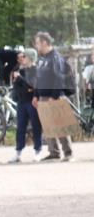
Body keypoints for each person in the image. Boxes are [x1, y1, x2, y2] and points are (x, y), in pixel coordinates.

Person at [34, 32, 74, 162]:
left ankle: (68, 153)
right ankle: (54, 152)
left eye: (38, 42)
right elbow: (38, 78)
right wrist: (36, 95)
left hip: (54, 96)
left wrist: (54, 96)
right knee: (48, 126)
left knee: (60, 125)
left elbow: (59, 78)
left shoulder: (55, 57)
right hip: (43, 96)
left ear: (45, 43)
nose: (36, 45)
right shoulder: (42, 58)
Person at [9, 48, 43, 163]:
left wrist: (21, 79)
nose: (21, 59)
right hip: (21, 101)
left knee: (36, 126)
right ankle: (18, 152)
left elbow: (32, 85)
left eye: (24, 56)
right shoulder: (20, 69)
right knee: (20, 127)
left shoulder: (35, 69)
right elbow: (18, 86)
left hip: (31, 101)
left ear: (30, 58)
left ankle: (38, 150)